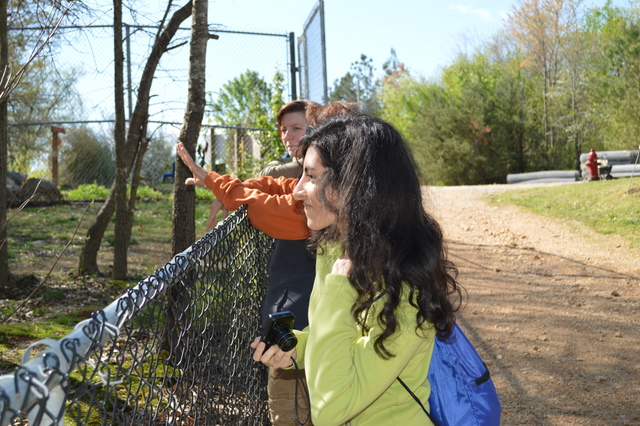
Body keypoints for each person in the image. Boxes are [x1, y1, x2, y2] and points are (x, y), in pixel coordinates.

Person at [251, 113, 463, 425]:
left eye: (311, 176)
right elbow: (339, 333)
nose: (297, 191)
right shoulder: (333, 247)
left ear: (352, 187)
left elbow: (330, 409)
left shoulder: (406, 288)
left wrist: (339, 287)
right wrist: (298, 346)